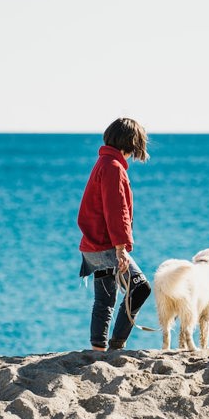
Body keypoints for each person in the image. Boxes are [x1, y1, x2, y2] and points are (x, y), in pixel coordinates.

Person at [77, 118, 152, 351]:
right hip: (107, 245)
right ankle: (117, 346)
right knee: (140, 289)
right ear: (131, 142)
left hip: (93, 245)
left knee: (105, 299)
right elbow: (115, 209)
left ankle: (98, 350)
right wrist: (121, 249)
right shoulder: (113, 167)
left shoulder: (104, 161)